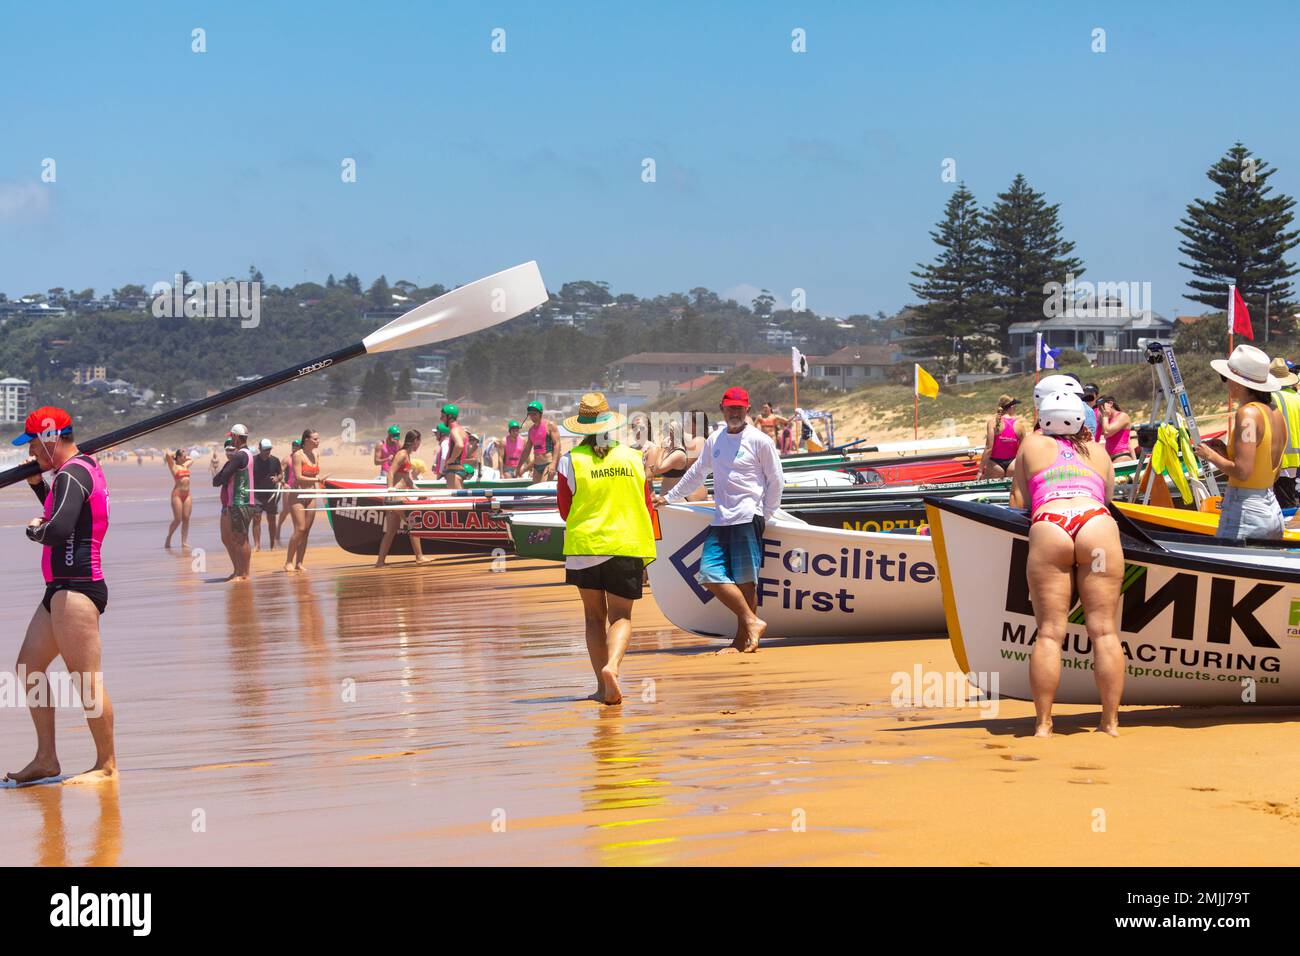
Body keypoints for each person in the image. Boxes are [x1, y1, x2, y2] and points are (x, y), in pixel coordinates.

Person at [6, 406, 116, 785]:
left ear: (50, 438)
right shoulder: (76, 473)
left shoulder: (72, 475)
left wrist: (33, 531)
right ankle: (47, 758)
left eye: (34, 444)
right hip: (59, 589)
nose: (32, 452)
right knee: (28, 667)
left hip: (77, 588)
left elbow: (57, 530)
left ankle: (106, 765)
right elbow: (64, 514)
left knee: (85, 680)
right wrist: (38, 486)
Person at [1009, 390, 1123, 738]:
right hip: (1096, 526)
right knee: (1104, 631)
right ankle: (1109, 723)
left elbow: (1017, 502)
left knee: (1049, 633)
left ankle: (1043, 724)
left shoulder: (1030, 444)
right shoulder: (1100, 452)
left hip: (1051, 526)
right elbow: (1107, 497)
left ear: (1044, 419)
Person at [656, 387, 784, 654]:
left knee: (746, 581)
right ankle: (752, 622)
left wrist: (766, 514)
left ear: (747, 410)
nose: (735, 412)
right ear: (722, 409)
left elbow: (776, 480)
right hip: (722, 517)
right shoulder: (715, 439)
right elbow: (696, 473)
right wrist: (670, 497)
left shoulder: (760, 440)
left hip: (748, 516)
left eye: (739, 408)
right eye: (730, 408)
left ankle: (744, 639)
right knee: (710, 574)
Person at [557, 393, 657, 705]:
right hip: (626, 544)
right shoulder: (633, 457)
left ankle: (602, 689)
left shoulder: (569, 461)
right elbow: (646, 504)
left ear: (581, 429)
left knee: (592, 618)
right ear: (611, 426)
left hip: (585, 546)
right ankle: (611, 668)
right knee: (621, 616)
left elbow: (564, 510)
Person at [1194, 345, 1286, 540]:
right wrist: (1225, 454)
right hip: (1270, 506)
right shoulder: (1274, 412)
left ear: (1237, 382)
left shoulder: (1248, 415)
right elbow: (1267, 469)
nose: (1226, 384)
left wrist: (1210, 455)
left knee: (1228, 569)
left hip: (1246, 510)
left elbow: (1243, 472)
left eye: (1225, 378)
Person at [376, 430, 434, 567]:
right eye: (418, 442)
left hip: (396, 495)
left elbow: (407, 478)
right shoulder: (402, 454)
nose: (419, 445)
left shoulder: (407, 455)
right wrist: (390, 491)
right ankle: (419, 557)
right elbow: (390, 472)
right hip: (397, 495)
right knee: (413, 523)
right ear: (415, 441)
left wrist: (418, 491)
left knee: (390, 531)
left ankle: (380, 562)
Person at [212, 424, 255, 581]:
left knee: (240, 539)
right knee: (242, 538)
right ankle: (241, 572)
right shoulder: (249, 454)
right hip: (247, 501)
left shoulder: (239, 456)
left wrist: (218, 478)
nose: (231, 440)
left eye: (232, 437)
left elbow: (221, 478)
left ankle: (243, 574)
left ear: (237, 437)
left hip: (239, 502)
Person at [284, 429, 326, 572]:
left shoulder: (316, 454)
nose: (318, 441)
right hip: (297, 495)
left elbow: (316, 474)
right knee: (300, 529)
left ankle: (299, 563)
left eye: (318, 439)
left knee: (306, 531)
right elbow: (298, 477)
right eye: (315, 439)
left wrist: (319, 485)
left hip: (311, 495)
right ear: (306, 440)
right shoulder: (298, 455)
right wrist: (317, 479)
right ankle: (288, 562)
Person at [1268, 357, 1300, 510]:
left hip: (1278, 460)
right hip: (1295, 458)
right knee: (1291, 501)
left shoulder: (1270, 398)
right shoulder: (1297, 398)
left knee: (1285, 506)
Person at [980, 395, 1026, 478]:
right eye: (1015, 407)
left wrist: (980, 471)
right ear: (1011, 407)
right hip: (1013, 464)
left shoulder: (992, 422)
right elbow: (1023, 451)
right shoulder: (1019, 425)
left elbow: (989, 448)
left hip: (994, 465)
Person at [250, 438, 283, 551]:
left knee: (271, 519)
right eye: (265, 449)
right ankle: (257, 545)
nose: (267, 452)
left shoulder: (275, 460)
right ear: (259, 449)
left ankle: (272, 544)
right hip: (256, 494)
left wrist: (277, 478)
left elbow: (280, 474)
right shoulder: (253, 460)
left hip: (271, 494)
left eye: (269, 449)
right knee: (256, 518)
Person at [519, 399, 562, 481]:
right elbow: (527, 450)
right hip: (537, 466)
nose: (532, 417)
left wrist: (553, 464)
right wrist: (519, 467)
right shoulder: (531, 430)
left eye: (535, 414)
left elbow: (557, 444)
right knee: (535, 493)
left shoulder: (550, 425)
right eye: (530, 415)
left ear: (540, 413)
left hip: (548, 464)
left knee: (543, 489)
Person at [652, 418, 690, 495]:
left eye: (667, 432)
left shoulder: (678, 453)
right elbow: (658, 467)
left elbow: (657, 469)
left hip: (674, 499)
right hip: (667, 497)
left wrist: (662, 449)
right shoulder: (671, 450)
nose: (664, 435)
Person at [165, 447, 193, 549]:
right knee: (178, 519)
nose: (185, 456)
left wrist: (185, 457)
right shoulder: (173, 466)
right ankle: (169, 538)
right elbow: (167, 454)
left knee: (186, 518)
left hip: (187, 494)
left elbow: (192, 459)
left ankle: (184, 542)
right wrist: (174, 455)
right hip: (177, 494)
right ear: (178, 457)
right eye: (183, 455)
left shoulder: (185, 465)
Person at [439, 404, 470, 490]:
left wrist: (451, 459)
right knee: (460, 500)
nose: (441, 419)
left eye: (443, 416)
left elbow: (459, 445)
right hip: (459, 469)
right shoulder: (461, 430)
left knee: (458, 501)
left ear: (450, 417)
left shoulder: (454, 430)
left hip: (453, 471)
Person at [681, 409, 710, 502]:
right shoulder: (698, 440)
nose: (685, 424)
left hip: (693, 490)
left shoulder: (698, 441)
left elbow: (683, 466)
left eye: (689, 421)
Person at [1095, 396, 1134, 462]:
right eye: (1099, 408)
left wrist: (1105, 417)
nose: (1101, 410)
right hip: (1111, 457)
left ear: (1110, 403)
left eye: (1102, 407)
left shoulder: (1122, 416)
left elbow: (1107, 432)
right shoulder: (1106, 420)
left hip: (1121, 456)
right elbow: (1096, 437)